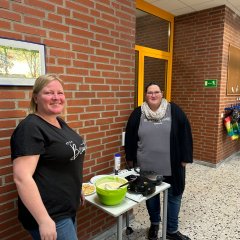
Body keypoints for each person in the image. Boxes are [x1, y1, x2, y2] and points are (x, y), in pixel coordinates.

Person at [11, 74, 86, 240]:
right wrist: (44, 220)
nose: (56, 97)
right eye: (49, 93)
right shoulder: (30, 128)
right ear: (36, 97)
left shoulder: (58, 122)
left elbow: (62, 162)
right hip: (51, 214)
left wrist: (76, 188)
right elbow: (22, 178)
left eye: (60, 93)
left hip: (67, 207)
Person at [124, 82, 193, 240]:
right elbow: (130, 137)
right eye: (149, 93)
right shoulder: (138, 113)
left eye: (156, 92)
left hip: (172, 165)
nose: (153, 95)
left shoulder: (173, 110)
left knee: (175, 196)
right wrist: (130, 159)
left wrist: (185, 158)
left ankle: (171, 230)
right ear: (145, 95)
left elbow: (185, 132)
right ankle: (155, 224)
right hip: (147, 166)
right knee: (151, 196)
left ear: (162, 93)